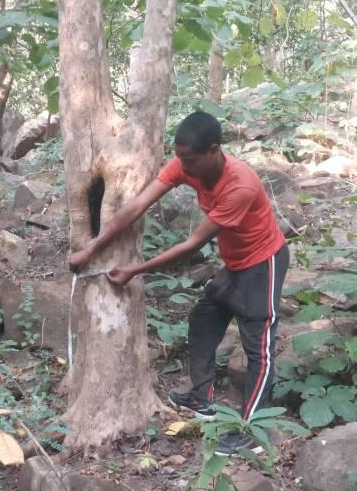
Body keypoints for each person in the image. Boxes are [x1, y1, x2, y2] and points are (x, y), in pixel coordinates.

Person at [69, 111, 289, 456]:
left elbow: (192, 245)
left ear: (214, 150)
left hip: (263, 263)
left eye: (190, 160)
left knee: (258, 347)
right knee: (203, 320)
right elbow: (137, 206)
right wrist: (93, 246)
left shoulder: (240, 185)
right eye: (180, 158)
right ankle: (202, 398)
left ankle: (252, 433)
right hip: (234, 262)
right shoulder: (186, 164)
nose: (183, 167)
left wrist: (135, 270)